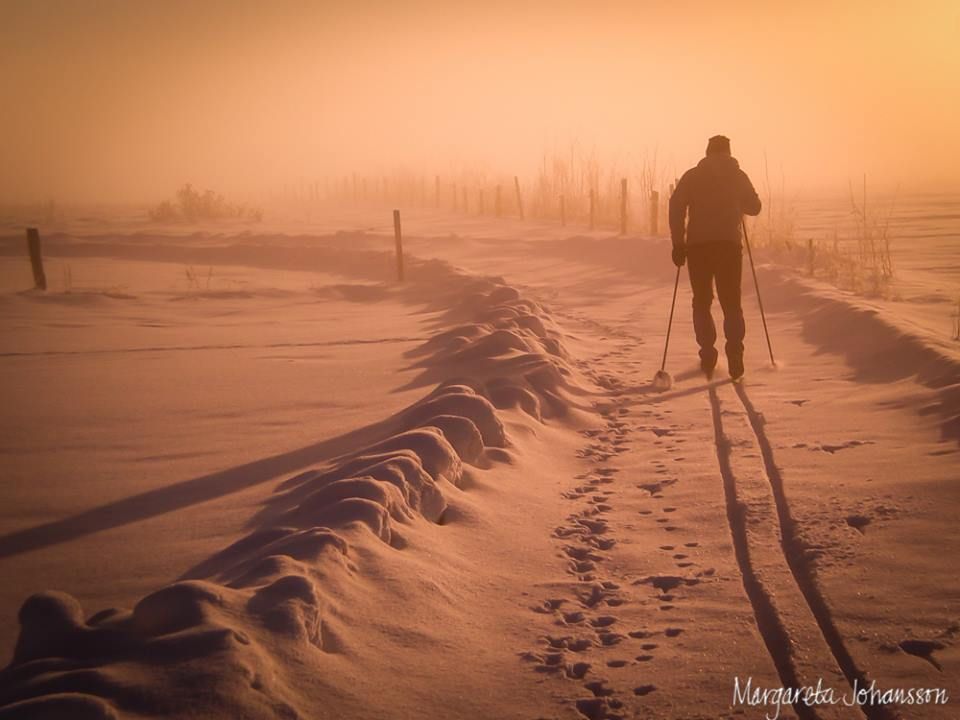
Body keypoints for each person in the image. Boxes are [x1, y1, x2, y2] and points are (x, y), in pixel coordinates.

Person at [668, 135, 762, 380]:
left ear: (707, 152)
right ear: (729, 152)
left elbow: (676, 207)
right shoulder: (738, 175)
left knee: (702, 300)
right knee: (731, 301)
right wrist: (744, 199)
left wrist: (678, 244)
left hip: (698, 248)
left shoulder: (692, 176)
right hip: (729, 247)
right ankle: (735, 350)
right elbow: (754, 207)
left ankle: (708, 353)